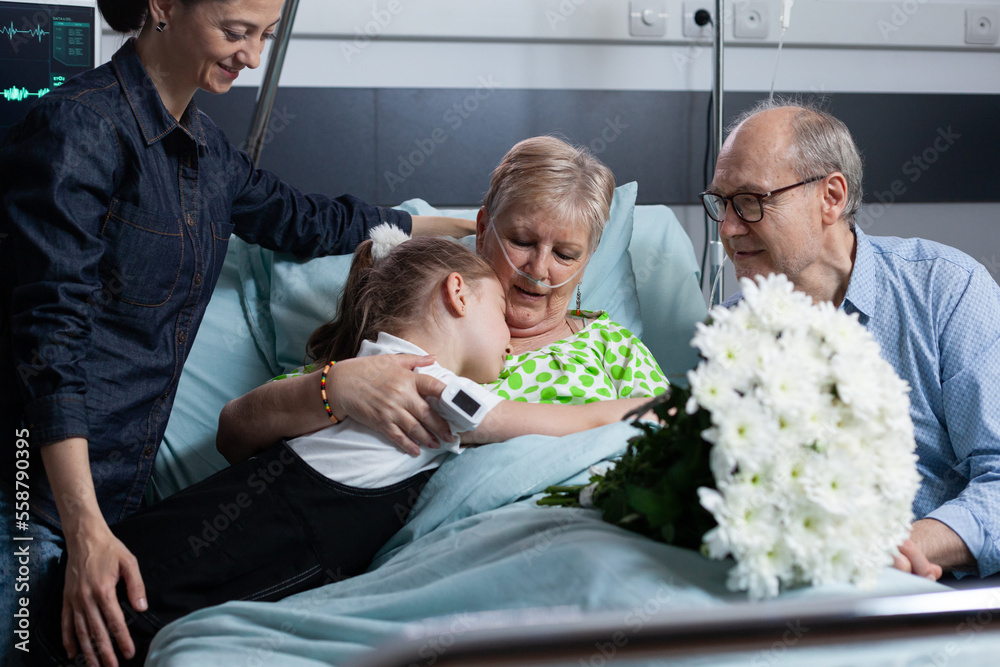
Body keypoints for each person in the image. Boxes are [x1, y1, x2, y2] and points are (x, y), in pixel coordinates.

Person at [0, 1, 472, 665]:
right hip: (32, 501)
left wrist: (442, 227)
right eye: (235, 31)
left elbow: (303, 218)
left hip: (118, 501)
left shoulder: (208, 155)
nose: (251, 56)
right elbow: (49, 349)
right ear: (162, 7)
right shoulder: (76, 128)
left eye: (265, 36)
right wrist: (82, 529)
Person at [37, 232, 653, 665]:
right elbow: (563, 421)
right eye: (499, 312)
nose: (511, 337)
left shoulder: (371, 362)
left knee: (101, 626)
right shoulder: (436, 387)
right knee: (102, 623)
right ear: (459, 295)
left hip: (240, 532)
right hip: (245, 539)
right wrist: (661, 407)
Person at [216, 135, 671, 455]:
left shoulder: (613, 348)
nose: (539, 270)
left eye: (566, 254)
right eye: (522, 241)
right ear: (481, 228)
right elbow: (235, 431)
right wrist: (332, 387)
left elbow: (681, 443)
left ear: (587, 261)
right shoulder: (423, 318)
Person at [699, 99, 1000, 581]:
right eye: (722, 202)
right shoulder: (731, 335)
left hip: (945, 601)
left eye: (751, 201)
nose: (729, 227)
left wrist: (908, 546)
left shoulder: (946, 291)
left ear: (831, 197)